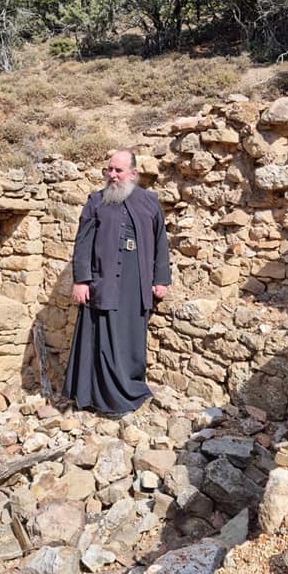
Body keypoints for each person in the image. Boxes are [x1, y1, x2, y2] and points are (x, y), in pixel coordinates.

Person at [62, 149, 171, 415]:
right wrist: (81, 281)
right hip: (103, 283)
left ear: (133, 174)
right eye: (109, 169)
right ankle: (103, 401)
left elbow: (160, 243)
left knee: (130, 340)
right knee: (102, 342)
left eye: (118, 170)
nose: (112, 175)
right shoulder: (96, 202)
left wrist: (161, 279)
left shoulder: (149, 202)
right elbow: (83, 243)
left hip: (137, 284)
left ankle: (130, 390)